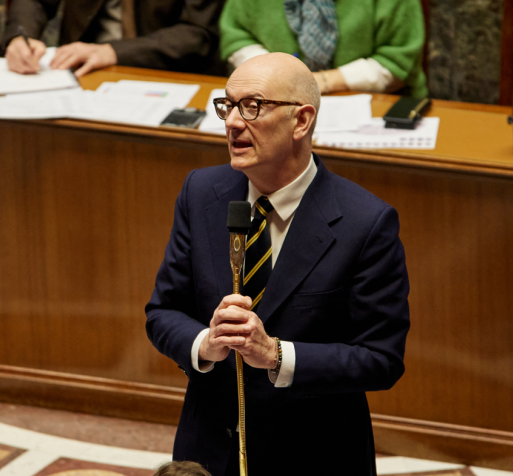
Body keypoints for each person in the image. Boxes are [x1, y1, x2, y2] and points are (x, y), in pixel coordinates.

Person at [145, 53, 410, 475]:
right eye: (227, 106)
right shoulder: (202, 192)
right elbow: (162, 312)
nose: (232, 122)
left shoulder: (366, 223)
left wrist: (276, 355)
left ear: (301, 121)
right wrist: (205, 344)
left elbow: (380, 358)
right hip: (208, 449)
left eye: (252, 106)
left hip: (313, 455)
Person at [219, 0, 427, 97]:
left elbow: (397, 61)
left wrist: (320, 82)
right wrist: (273, 73)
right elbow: (237, 36)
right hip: (273, 98)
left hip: (373, 103)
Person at [0, 0, 226, 77]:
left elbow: (198, 34)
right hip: (79, 72)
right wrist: (19, 36)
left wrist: (112, 52)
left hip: (166, 73)